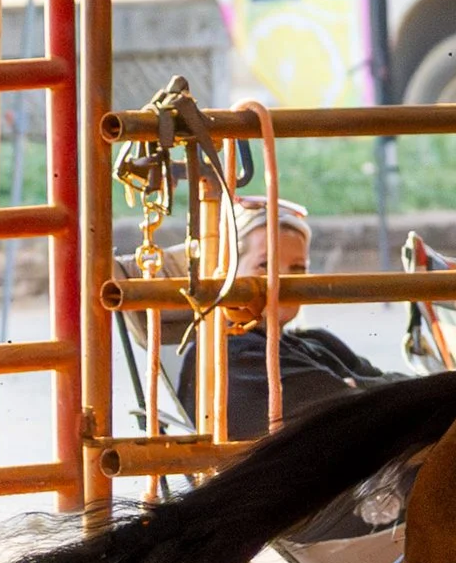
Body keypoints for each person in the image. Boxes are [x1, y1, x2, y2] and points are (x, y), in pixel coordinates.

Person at [174, 198, 407, 540]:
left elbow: (401, 393)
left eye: (297, 269)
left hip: (372, 496)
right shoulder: (229, 358)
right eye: (265, 265)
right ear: (228, 274)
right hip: (341, 520)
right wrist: (364, 388)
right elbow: (365, 412)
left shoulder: (316, 342)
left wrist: (358, 386)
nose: (280, 282)